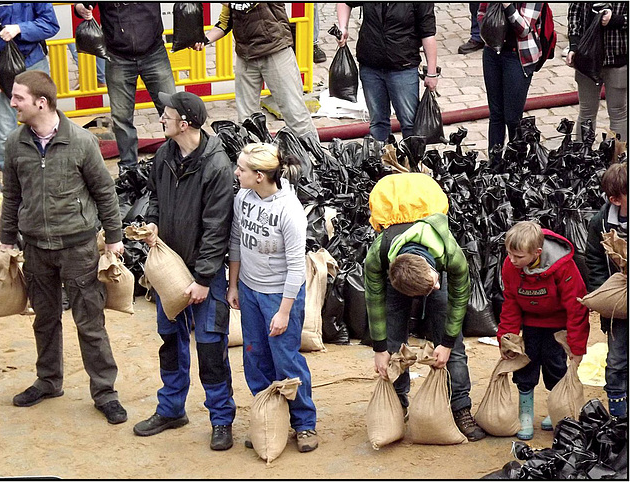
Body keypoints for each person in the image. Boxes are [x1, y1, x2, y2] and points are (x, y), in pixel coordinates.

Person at [0, 70, 127, 424]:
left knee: (90, 322)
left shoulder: (82, 142)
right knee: (44, 319)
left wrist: (114, 238)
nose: (12, 104)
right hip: (36, 249)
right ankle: (48, 381)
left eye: (18, 98)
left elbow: (105, 191)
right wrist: (6, 238)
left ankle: (105, 392)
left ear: (41, 103)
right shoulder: (14, 144)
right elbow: (12, 196)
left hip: (79, 249)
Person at [134, 91, 236, 451]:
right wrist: (155, 226)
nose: (161, 117)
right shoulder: (164, 155)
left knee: (210, 347)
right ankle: (171, 409)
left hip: (202, 276)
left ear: (186, 123)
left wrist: (205, 280)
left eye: (167, 114)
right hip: (170, 270)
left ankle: (221, 419)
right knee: (170, 342)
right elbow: (157, 197)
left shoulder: (217, 166)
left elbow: (217, 228)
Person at [364, 173, 486, 442]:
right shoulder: (377, 256)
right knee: (394, 343)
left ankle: (461, 407)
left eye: (433, 283)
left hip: (432, 259)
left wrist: (447, 343)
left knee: (453, 346)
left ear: (434, 271)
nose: (437, 288)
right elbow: (374, 302)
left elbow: (457, 299)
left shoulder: (451, 255)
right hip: (400, 269)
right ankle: (397, 403)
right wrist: (380, 348)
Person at [227, 143, 319, 453]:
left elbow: (296, 268)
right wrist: (234, 285)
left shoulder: (289, 210)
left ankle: (304, 423)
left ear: (259, 176)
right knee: (255, 357)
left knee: (287, 360)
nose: (236, 173)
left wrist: (283, 312)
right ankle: (268, 417)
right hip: (251, 293)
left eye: (241, 169)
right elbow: (237, 243)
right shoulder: (243, 198)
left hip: (280, 296)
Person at [498, 221, 590, 440]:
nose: (512, 260)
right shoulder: (511, 266)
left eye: (518, 256)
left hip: (556, 326)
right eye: (509, 254)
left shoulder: (563, 267)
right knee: (524, 366)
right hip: (530, 324)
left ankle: (555, 408)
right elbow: (509, 302)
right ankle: (526, 414)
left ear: (537, 252)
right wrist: (507, 337)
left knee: (555, 367)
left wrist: (576, 347)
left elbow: (577, 307)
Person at [74, 3, 176, 174]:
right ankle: (128, 167)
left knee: (171, 109)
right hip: (117, 56)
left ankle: (177, 158)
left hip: (154, 52)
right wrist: (79, 8)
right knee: (121, 116)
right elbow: (83, 4)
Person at [199, 3, 319, 141]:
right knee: (247, 119)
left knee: (295, 113)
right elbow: (224, 22)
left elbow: (245, 4)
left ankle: (315, 157)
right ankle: (255, 159)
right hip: (246, 55)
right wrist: (204, 40)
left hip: (276, 50)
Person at [335, 3, 439, 142]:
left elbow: (428, 34)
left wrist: (431, 73)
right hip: (370, 64)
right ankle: (381, 159)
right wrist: (343, 27)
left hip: (403, 67)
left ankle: (412, 160)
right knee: (378, 122)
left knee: (410, 123)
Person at [0, 3, 59, 170]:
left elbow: (51, 24)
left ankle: (53, 173)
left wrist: (20, 28)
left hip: (33, 62)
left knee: (46, 123)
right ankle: (12, 183)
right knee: (6, 131)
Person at [585, 162, 628, 419]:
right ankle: (619, 420)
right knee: (616, 361)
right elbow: (594, 261)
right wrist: (605, 295)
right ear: (614, 199)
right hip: (618, 309)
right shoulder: (600, 222)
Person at [478, 3, 543, 151]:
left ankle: (517, 163)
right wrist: (487, 29)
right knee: (495, 114)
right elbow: (481, 11)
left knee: (513, 117)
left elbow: (524, 29)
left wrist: (507, 5)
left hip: (518, 56)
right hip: (492, 52)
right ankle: (494, 164)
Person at [566, 3, 628, 143]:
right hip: (586, 57)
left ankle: (618, 160)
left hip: (618, 57)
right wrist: (574, 45)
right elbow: (575, 13)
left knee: (618, 112)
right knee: (586, 111)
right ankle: (581, 158)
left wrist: (617, 20)